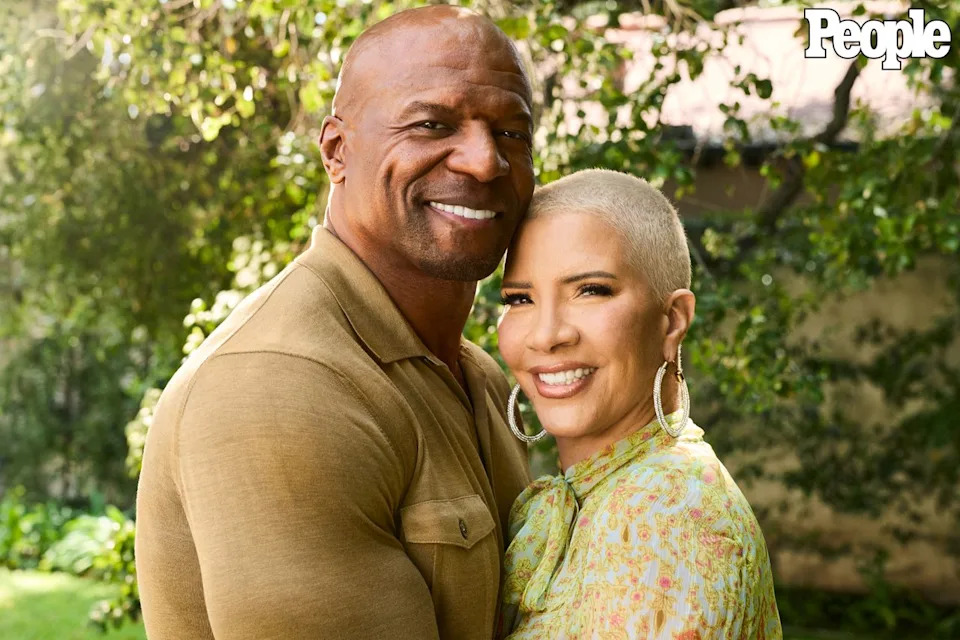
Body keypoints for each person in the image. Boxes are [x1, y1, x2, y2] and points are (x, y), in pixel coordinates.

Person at [135, 6, 536, 639]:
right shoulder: (280, 387)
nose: (486, 163)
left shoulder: (480, 376)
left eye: (513, 133)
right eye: (432, 124)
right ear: (337, 151)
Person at [496, 169, 782, 639]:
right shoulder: (599, 492)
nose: (546, 335)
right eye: (520, 298)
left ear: (672, 321)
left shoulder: (663, 512)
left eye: (590, 290)